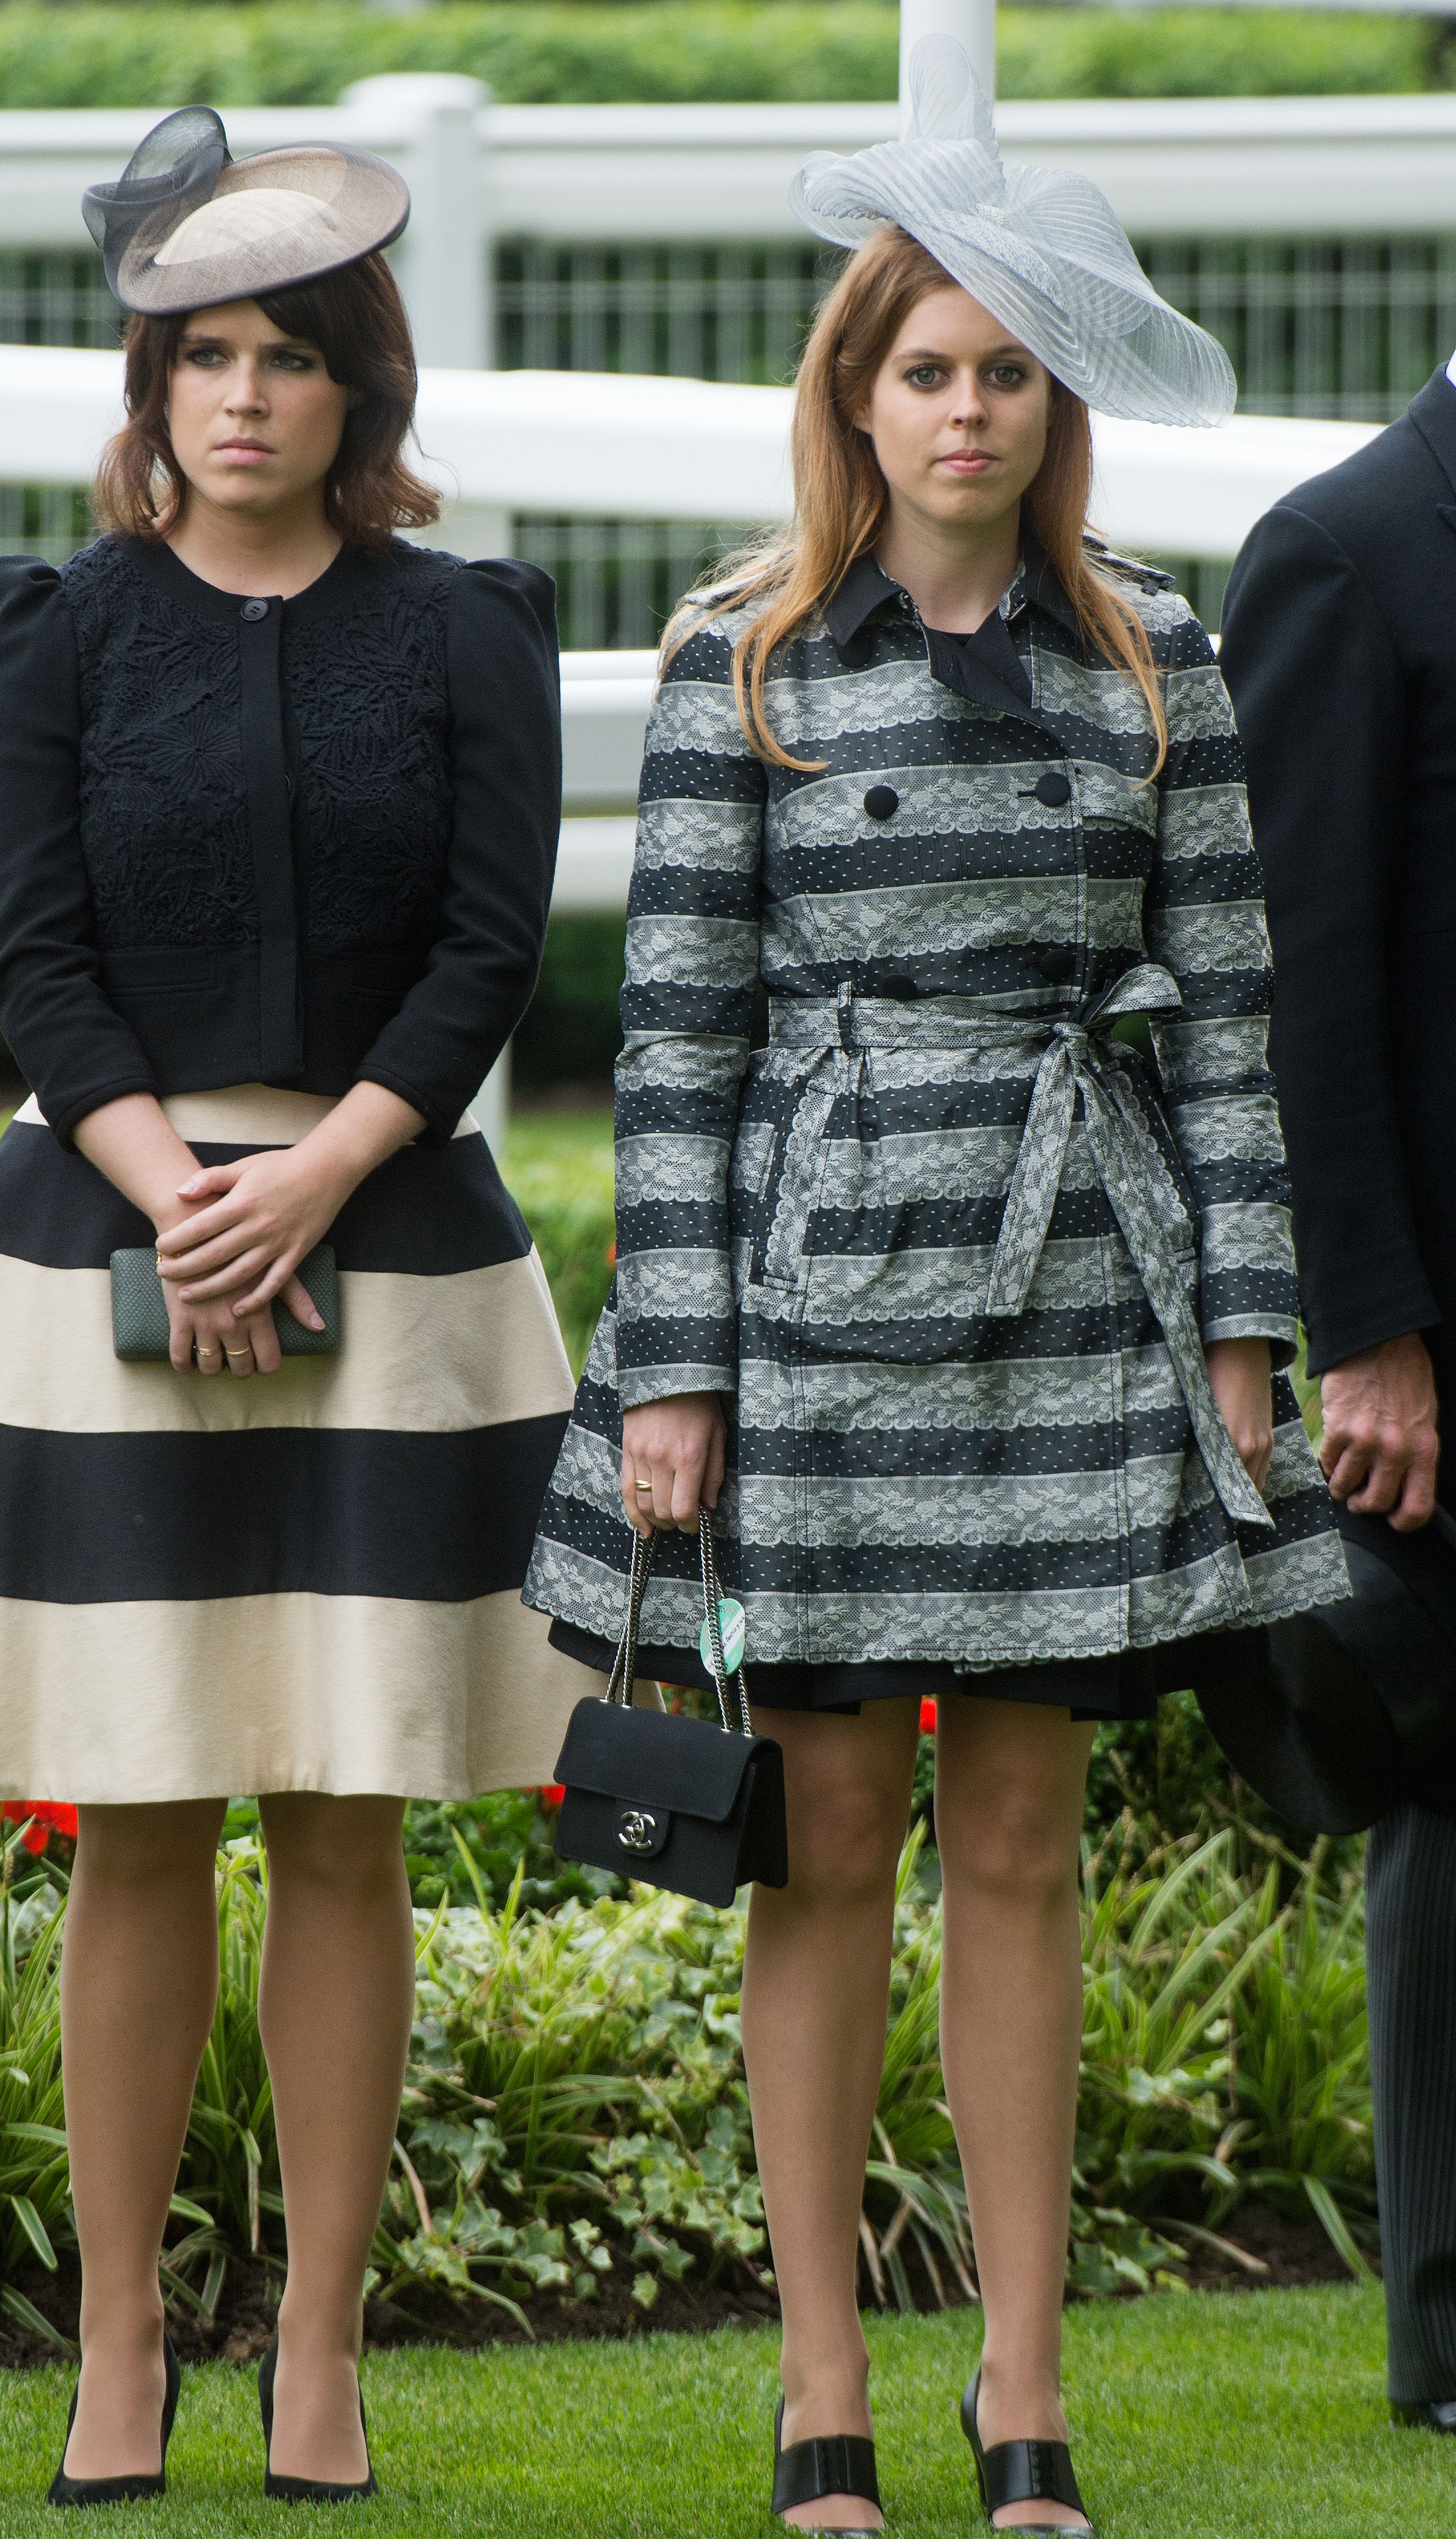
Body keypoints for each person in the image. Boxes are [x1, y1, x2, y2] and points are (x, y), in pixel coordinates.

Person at [526, 42, 1348, 2536]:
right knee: (830, 1835)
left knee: (1025, 1845)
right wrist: (671, 1373)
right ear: (853, 397)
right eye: (925, 369)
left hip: (1083, 1298)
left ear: (1050, 399)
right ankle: (817, 2402)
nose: (967, 409)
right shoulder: (741, 666)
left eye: (1006, 369)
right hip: (814, 1309)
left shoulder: (1156, 665)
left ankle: (1022, 2404)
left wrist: (1244, 1338)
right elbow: (670, 1041)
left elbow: (1229, 1018)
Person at [0, 106, 587, 2508]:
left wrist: (311, 1180)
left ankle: (317, 2352)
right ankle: (122, 2345)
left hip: (394, 1229)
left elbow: (487, 944)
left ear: (364, 391)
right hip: (103, 1231)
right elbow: (31, 951)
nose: (243, 396)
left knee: (348, 1819)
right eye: (200, 355)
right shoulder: (53, 629)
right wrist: (177, 1200)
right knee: (134, 1817)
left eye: (290, 358)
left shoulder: (469, 630)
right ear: (149, 387)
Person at [1221, 335, 1456, 2434]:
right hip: (1442, 1338)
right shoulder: (1345, 553)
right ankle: (1455, 2342)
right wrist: (1362, 1329)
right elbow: (1304, 979)